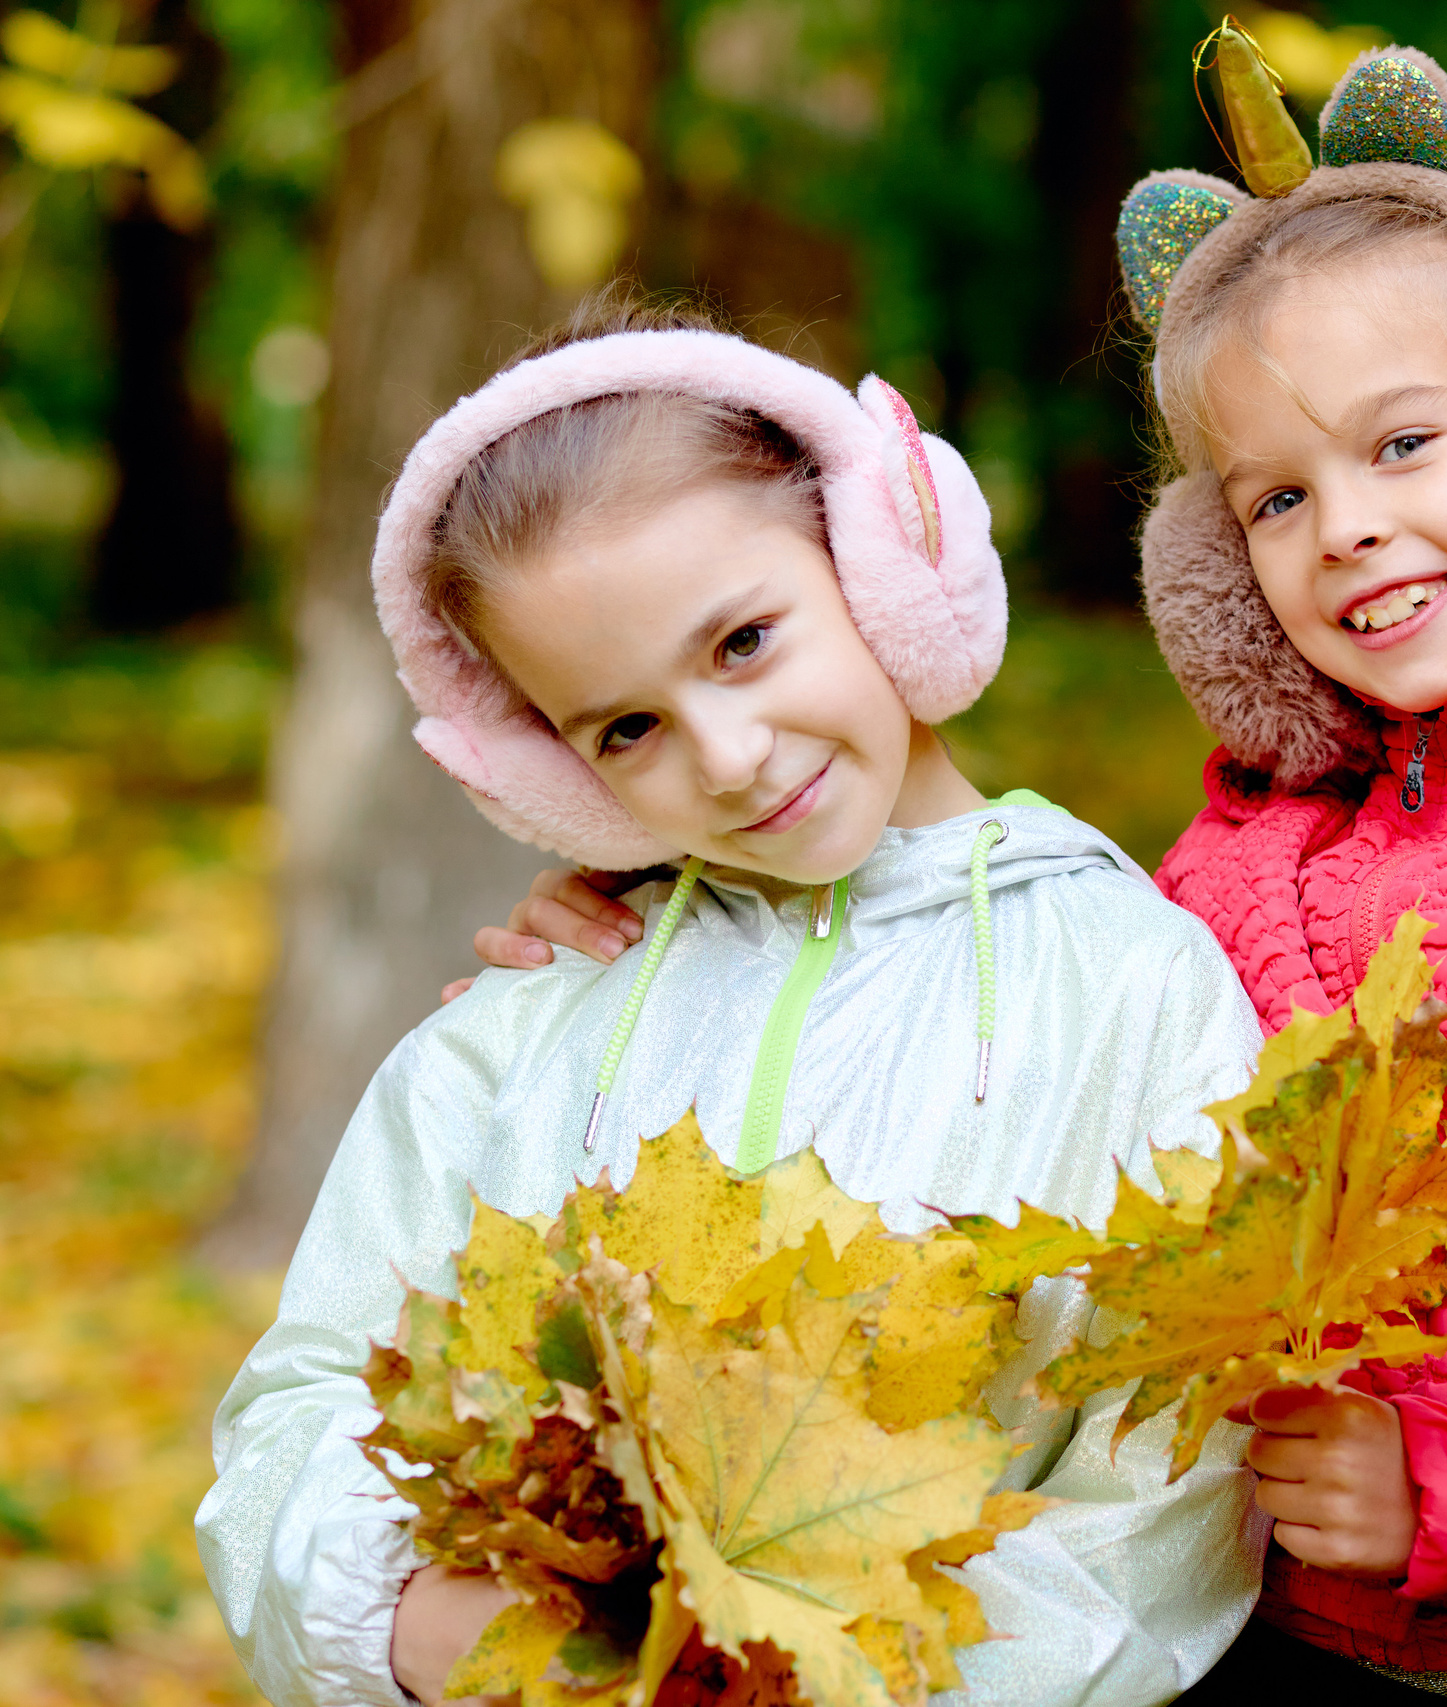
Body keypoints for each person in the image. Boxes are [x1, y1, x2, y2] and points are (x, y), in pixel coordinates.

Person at [474, 43, 1447, 1707]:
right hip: (1227, 1650)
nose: (1347, 528)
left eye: (1404, 446)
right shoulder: (1244, 857)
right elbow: (998, 1051)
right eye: (1279, 495)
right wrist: (665, 947)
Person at [195, 293, 1270, 1707]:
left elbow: (1163, 1492)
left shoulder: (1131, 984)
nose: (726, 752)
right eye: (623, 728)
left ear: (881, 560)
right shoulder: (532, 1015)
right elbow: (311, 1394)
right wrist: (400, 1615)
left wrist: (814, 1671)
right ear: (554, 777)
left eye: (744, 640)